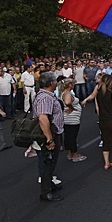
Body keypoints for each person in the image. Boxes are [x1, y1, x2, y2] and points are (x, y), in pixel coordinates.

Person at [33, 72, 64, 202]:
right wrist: (49, 139)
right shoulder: (45, 98)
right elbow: (43, 118)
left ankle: (49, 184)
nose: (57, 83)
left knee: (51, 162)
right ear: (51, 83)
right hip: (48, 135)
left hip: (53, 132)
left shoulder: (48, 96)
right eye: (55, 81)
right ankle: (46, 192)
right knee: (48, 163)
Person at [59, 78, 86, 162]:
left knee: (68, 136)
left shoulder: (64, 93)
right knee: (72, 136)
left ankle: (70, 153)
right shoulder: (67, 93)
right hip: (71, 118)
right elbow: (67, 102)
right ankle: (74, 154)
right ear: (69, 85)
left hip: (68, 118)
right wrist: (72, 108)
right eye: (73, 84)